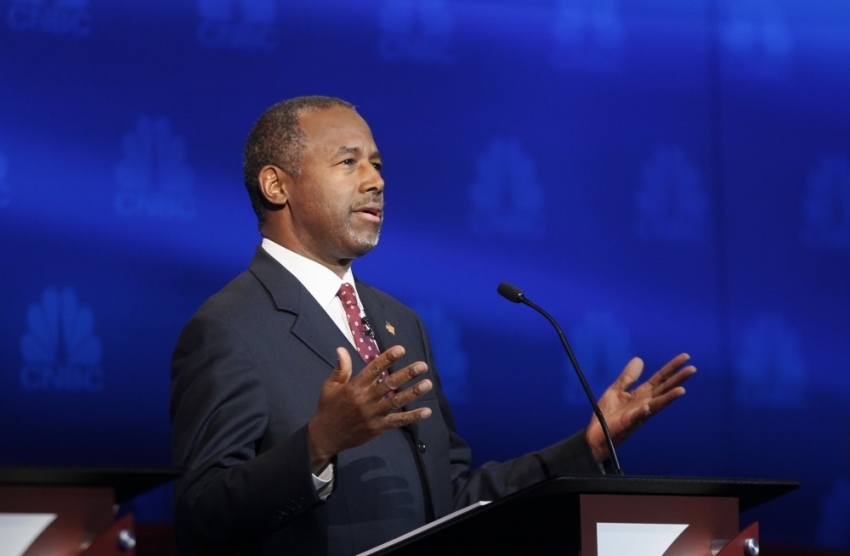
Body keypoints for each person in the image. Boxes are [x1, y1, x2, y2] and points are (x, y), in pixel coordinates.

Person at [170, 95, 696, 556]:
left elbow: (451, 500)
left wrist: (586, 449)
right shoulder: (229, 326)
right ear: (276, 185)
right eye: (348, 162)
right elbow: (199, 517)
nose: (375, 180)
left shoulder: (399, 322)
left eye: (376, 164)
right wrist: (317, 444)